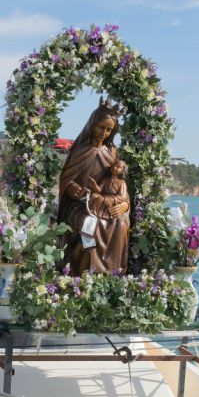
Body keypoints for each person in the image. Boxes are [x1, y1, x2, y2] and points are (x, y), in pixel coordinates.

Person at [56, 98, 131, 274]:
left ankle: (113, 275)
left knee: (121, 223)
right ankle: (84, 275)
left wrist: (124, 206)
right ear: (92, 125)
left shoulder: (112, 153)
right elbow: (66, 179)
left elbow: (121, 186)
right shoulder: (80, 151)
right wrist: (73, 188)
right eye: (101, 127)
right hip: (81, 205)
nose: (104, 133)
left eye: (109, 130)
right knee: (90, 224)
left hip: (106, 203)